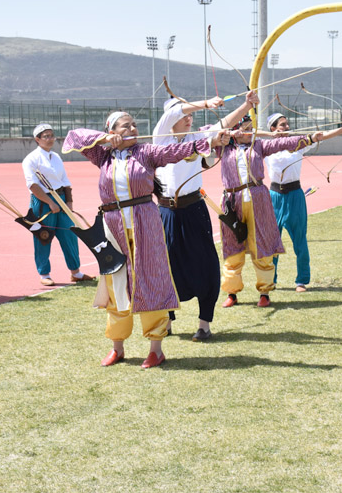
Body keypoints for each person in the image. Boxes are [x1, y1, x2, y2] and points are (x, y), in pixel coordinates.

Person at [63, 111, 230, 368]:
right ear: (113, 129)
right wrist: (106, 138)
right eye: (125, 126)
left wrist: (211, 142)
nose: (132, 128)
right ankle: (117, 347)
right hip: (113, 225)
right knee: (116, 283)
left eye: (134, 125)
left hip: (145, 222)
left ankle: (156, 348)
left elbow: (179, 151)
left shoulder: (147, 152)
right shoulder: (102, 155)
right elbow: (74, 137)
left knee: (150, 278)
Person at [153, 91, 258, 342]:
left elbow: (225, 124)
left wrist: (246, 105)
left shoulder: (198, 138)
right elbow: (175, 113)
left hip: (194, 210)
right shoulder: (160, 137)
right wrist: (204, 104)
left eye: (190, 114)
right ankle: (166, 320)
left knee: (206, 264)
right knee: (166, 266)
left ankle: (204, 324)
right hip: (166, 211)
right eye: (184, 114)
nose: (188, 118)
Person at [217, 111, 342, 309]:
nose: (251, 132)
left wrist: (311, 138)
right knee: (233, 248)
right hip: (233, 202)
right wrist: (225, 135)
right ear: (234, 131)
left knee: (263, 245)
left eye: (252, 129)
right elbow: (206, 134)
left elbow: (284, 143)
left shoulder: (259, 146)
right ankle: (232, 293)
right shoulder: (223, 149)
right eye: (246, 129)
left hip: (258, 200)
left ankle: (265, 292)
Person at [265, 113, 342, 292]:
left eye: (287, 124)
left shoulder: (298, 144)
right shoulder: (265, 146)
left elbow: (321, 136)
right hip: (274, 197)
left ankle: (301, 280)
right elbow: (248, 137)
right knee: (272, 242)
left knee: (300, 240)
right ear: (273, 129)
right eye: (282, 125)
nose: (287, 127)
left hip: (295, 196)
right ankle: (270, 279)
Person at [22, 123, 94, 286]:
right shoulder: (31, 159)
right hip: (43, 202)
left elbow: (65, 181)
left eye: (51, 135)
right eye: (46, 136)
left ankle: (76, 272)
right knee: (43, 237)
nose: (50, 139)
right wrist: (49, 202)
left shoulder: (56, 157)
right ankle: (44, 274)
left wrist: (69, 202)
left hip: (61, 199)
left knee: (69, 235)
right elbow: (33, 185)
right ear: (37, 139)